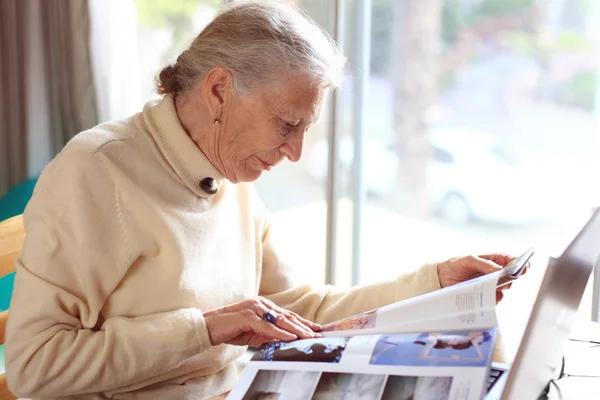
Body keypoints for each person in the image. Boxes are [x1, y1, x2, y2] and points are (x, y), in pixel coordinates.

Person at [5, 2, 520, 399]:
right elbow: (33, 367)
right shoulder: (97, 172)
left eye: (306, 129)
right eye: (288, 125)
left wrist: (434, 285)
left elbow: (301, 313)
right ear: (220, 90)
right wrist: (206, 331)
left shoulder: (227, 170)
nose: (295, 153)